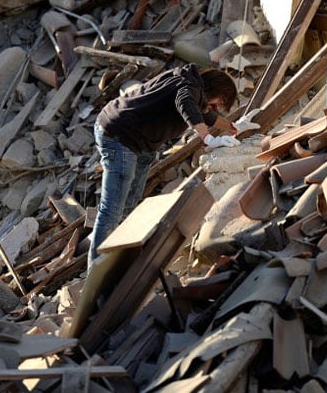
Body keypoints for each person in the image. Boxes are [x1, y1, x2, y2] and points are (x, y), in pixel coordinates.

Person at [88, 63, 240, 269]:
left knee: (130, 203)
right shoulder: (188, 89)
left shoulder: (189, 83)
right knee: (111, 209)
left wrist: (231, 127)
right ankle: (95, 268)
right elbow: (186, 104)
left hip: (141, 142)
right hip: (119, 136)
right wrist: (208, 139)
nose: (214, 109)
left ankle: (117, 255)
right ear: (213, 90)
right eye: (216, 104)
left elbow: (203, 113)